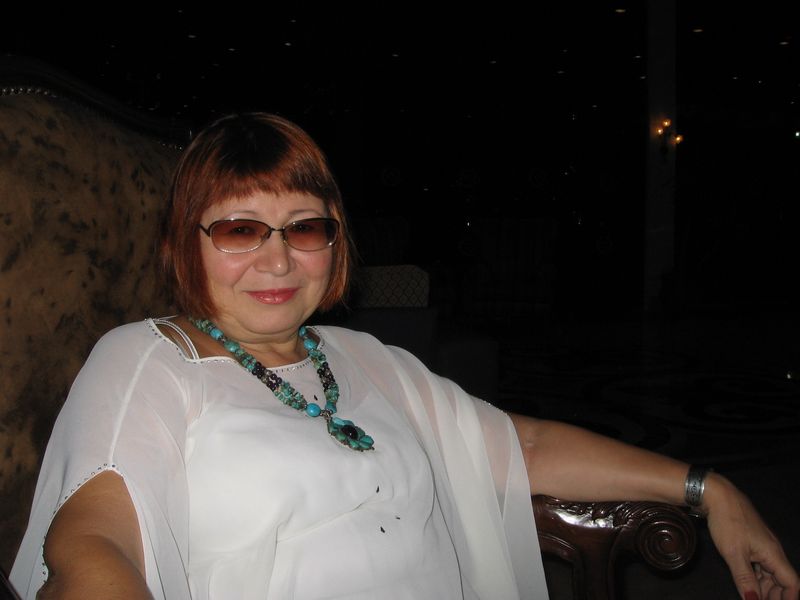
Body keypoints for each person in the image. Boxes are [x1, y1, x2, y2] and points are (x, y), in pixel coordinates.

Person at [10, 113, 798, 600]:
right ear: (186, 245)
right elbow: (92, 543)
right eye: (240, 229)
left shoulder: (366, 359)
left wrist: (710, 489)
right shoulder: (147, 361)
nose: (278, 260)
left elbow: (523, 445)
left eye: (305, 228)